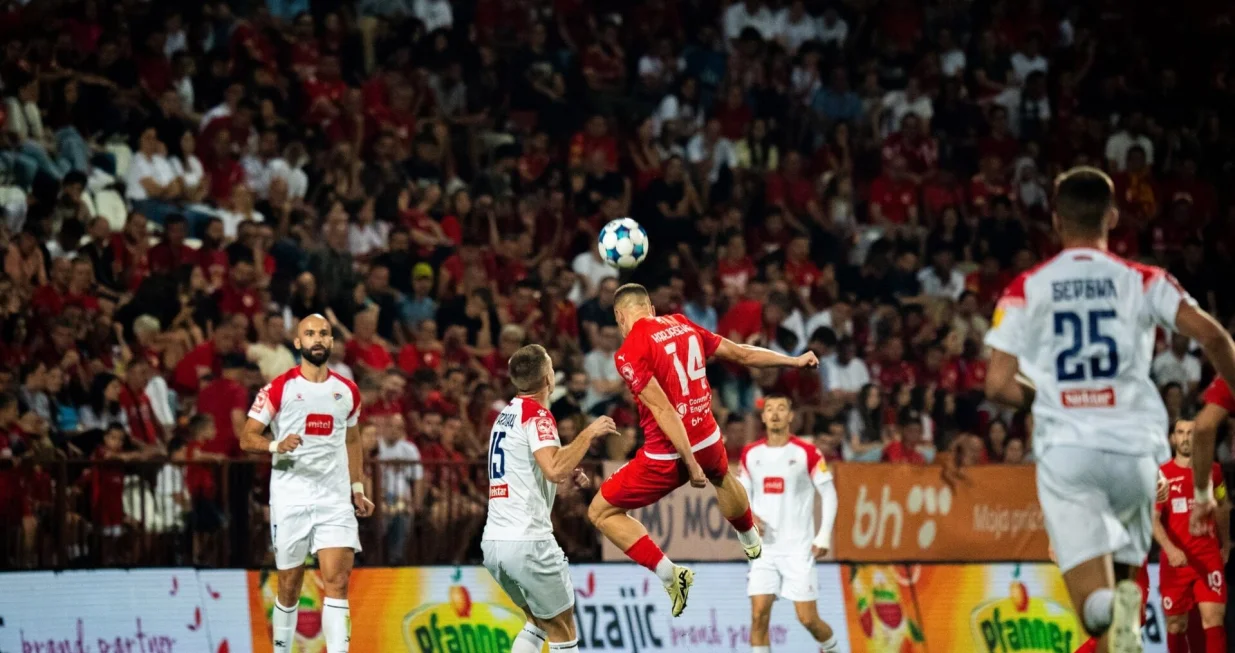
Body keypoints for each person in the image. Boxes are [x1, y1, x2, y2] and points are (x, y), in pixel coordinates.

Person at [983, 167, 1235, 653]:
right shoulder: (1143, 280)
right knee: (1124, 592)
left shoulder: (1027, 287)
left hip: (1069, 454)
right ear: (1113, 217)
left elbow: (996, 383)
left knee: (1093, 611)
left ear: (1055, 221)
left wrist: (1047, 400)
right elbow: (1215, 337)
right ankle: (1124, 622)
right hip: (1136, 453)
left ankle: (1110, 616)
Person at [587, 283, 818, 616]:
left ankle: (672, 575)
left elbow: (663, 409)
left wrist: (689, 462)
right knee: (722, 476)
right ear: (651, 308)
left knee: (600, 511)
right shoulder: (682, 323)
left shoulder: (629, 350)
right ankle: (751, 542)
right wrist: (794, 361)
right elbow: (742, 353)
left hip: (668, 456)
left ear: (620, 317)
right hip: (708, 437)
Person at [239, 314, 374, 653]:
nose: (318, 338)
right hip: (291, 498)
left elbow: (353, 439)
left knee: (337, 581)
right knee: (289, 585)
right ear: (298, 342)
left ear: (331, 342)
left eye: (324, 333)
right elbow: (247, 437)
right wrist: (275, 445)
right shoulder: (279, 387)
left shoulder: (347, 391)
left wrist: (357, 488)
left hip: (334, 498)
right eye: (310, 333)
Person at [481, 344, 618, 653]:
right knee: (563, 627)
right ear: (547, 379)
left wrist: (568, 465)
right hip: (529, 541)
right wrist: (589, 433)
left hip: (495, 543)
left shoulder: (506, 415)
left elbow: (536, 463)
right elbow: (554, 468)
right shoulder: (538, 415)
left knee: (537, 623)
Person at [739, 395, 841, 653]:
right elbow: (741, 496)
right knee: (758, 615)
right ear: (763, 417)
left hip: (798, 549)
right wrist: (749, 518)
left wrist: (823, 536)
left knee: (808, 619)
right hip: (763, 550)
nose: (775, 414)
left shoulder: (807, 453)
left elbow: (829, 494)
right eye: (769, 409)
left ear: (791, 416)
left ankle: (832, 648)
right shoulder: (751, 454)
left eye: (781, 408)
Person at [1152, 419, 1229, 653]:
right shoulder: (1162, 475)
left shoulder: (1214, 471)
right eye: (1180, 432)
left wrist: (1225, 544)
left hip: (1208, 557)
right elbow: (1153, 519)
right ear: (1173, 438)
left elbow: (1223, 505)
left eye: (1191, 432)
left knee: (1214, 619)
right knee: (1176, 625)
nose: (1185, 437)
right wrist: (1170, 549)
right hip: (1176, 562)